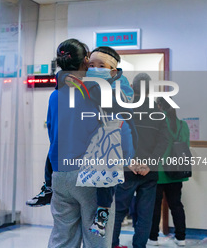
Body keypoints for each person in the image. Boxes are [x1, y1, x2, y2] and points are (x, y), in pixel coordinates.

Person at [26, 46, 136, 212]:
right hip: (72, 165)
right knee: (52, 153)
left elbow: (122, 107)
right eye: (91, 65)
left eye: (101, 66)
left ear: (113, 71)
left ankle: (103, 209)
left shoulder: (119, 85)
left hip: (103, 153)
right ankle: (48, 188)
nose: (94, 69)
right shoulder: (76, 87)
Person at [47, 39, 134, 247]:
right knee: (97, 237)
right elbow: (119, 126)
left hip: (60, 175)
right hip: (92, 176)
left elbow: (52, 133)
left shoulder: (55, 94)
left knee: (62, 236)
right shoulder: (97, 93)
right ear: (85, 61)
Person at [112, 73, 169, 248]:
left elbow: (114, 138)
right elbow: (164, 142)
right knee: (145, 215)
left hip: (126, 171)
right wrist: (149, 164)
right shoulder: (159, 114)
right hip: (148, 173)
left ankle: (112, 244)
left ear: (132, 86)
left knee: (118, 213)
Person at [148, 97, 190, 247]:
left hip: (158, 171)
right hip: (176, 170)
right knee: (176, 205)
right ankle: (181, 238)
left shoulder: (158, 122)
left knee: (154, 205)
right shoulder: (183, 125)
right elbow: (186, 145)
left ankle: (153, 238)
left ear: (160, 106)